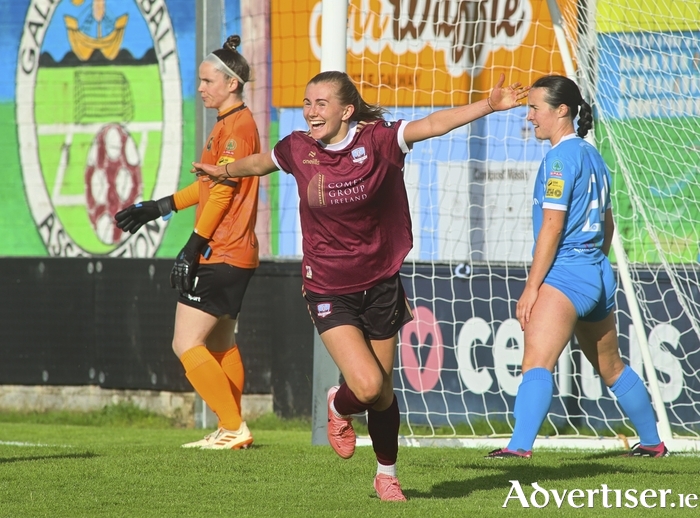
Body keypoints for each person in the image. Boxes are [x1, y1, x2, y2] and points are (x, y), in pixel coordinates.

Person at [193, 70, 528, 499]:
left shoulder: (379, 141)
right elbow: (260, 163)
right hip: (329, 286)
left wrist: (488, 105)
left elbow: (432, 123)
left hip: (382, 282)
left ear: (346, 110)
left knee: (382, 392)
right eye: (307, 102)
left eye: (321, 103)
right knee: (367, 386)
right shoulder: (298, 148)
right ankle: (338, 404)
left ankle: (386, 474)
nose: (311, 111)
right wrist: (224, 171)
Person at [486, 75, 669, 459]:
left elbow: (552, 227)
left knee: (537, 361)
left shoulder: (559, 159)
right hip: (597, 274)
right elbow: (608, 223)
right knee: (612, 367)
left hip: (567, 274)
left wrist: (533, 287)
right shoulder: (593, 156)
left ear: (561, 110)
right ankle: (653, 442)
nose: (530, 116)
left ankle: (518, 448)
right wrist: (594, 262)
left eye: (536, 108)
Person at [114, 35, 261, 450]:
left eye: (207, 80)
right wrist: (158, 207)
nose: (200, 88)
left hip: (223, 250)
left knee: (185, 343)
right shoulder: (229, 125)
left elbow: (222, 193)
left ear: (231, 83)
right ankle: (232, 427)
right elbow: (207, 185)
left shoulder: (237, 128)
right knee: (220, 343)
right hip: (236, 252)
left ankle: (233, 427)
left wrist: (194, 245)